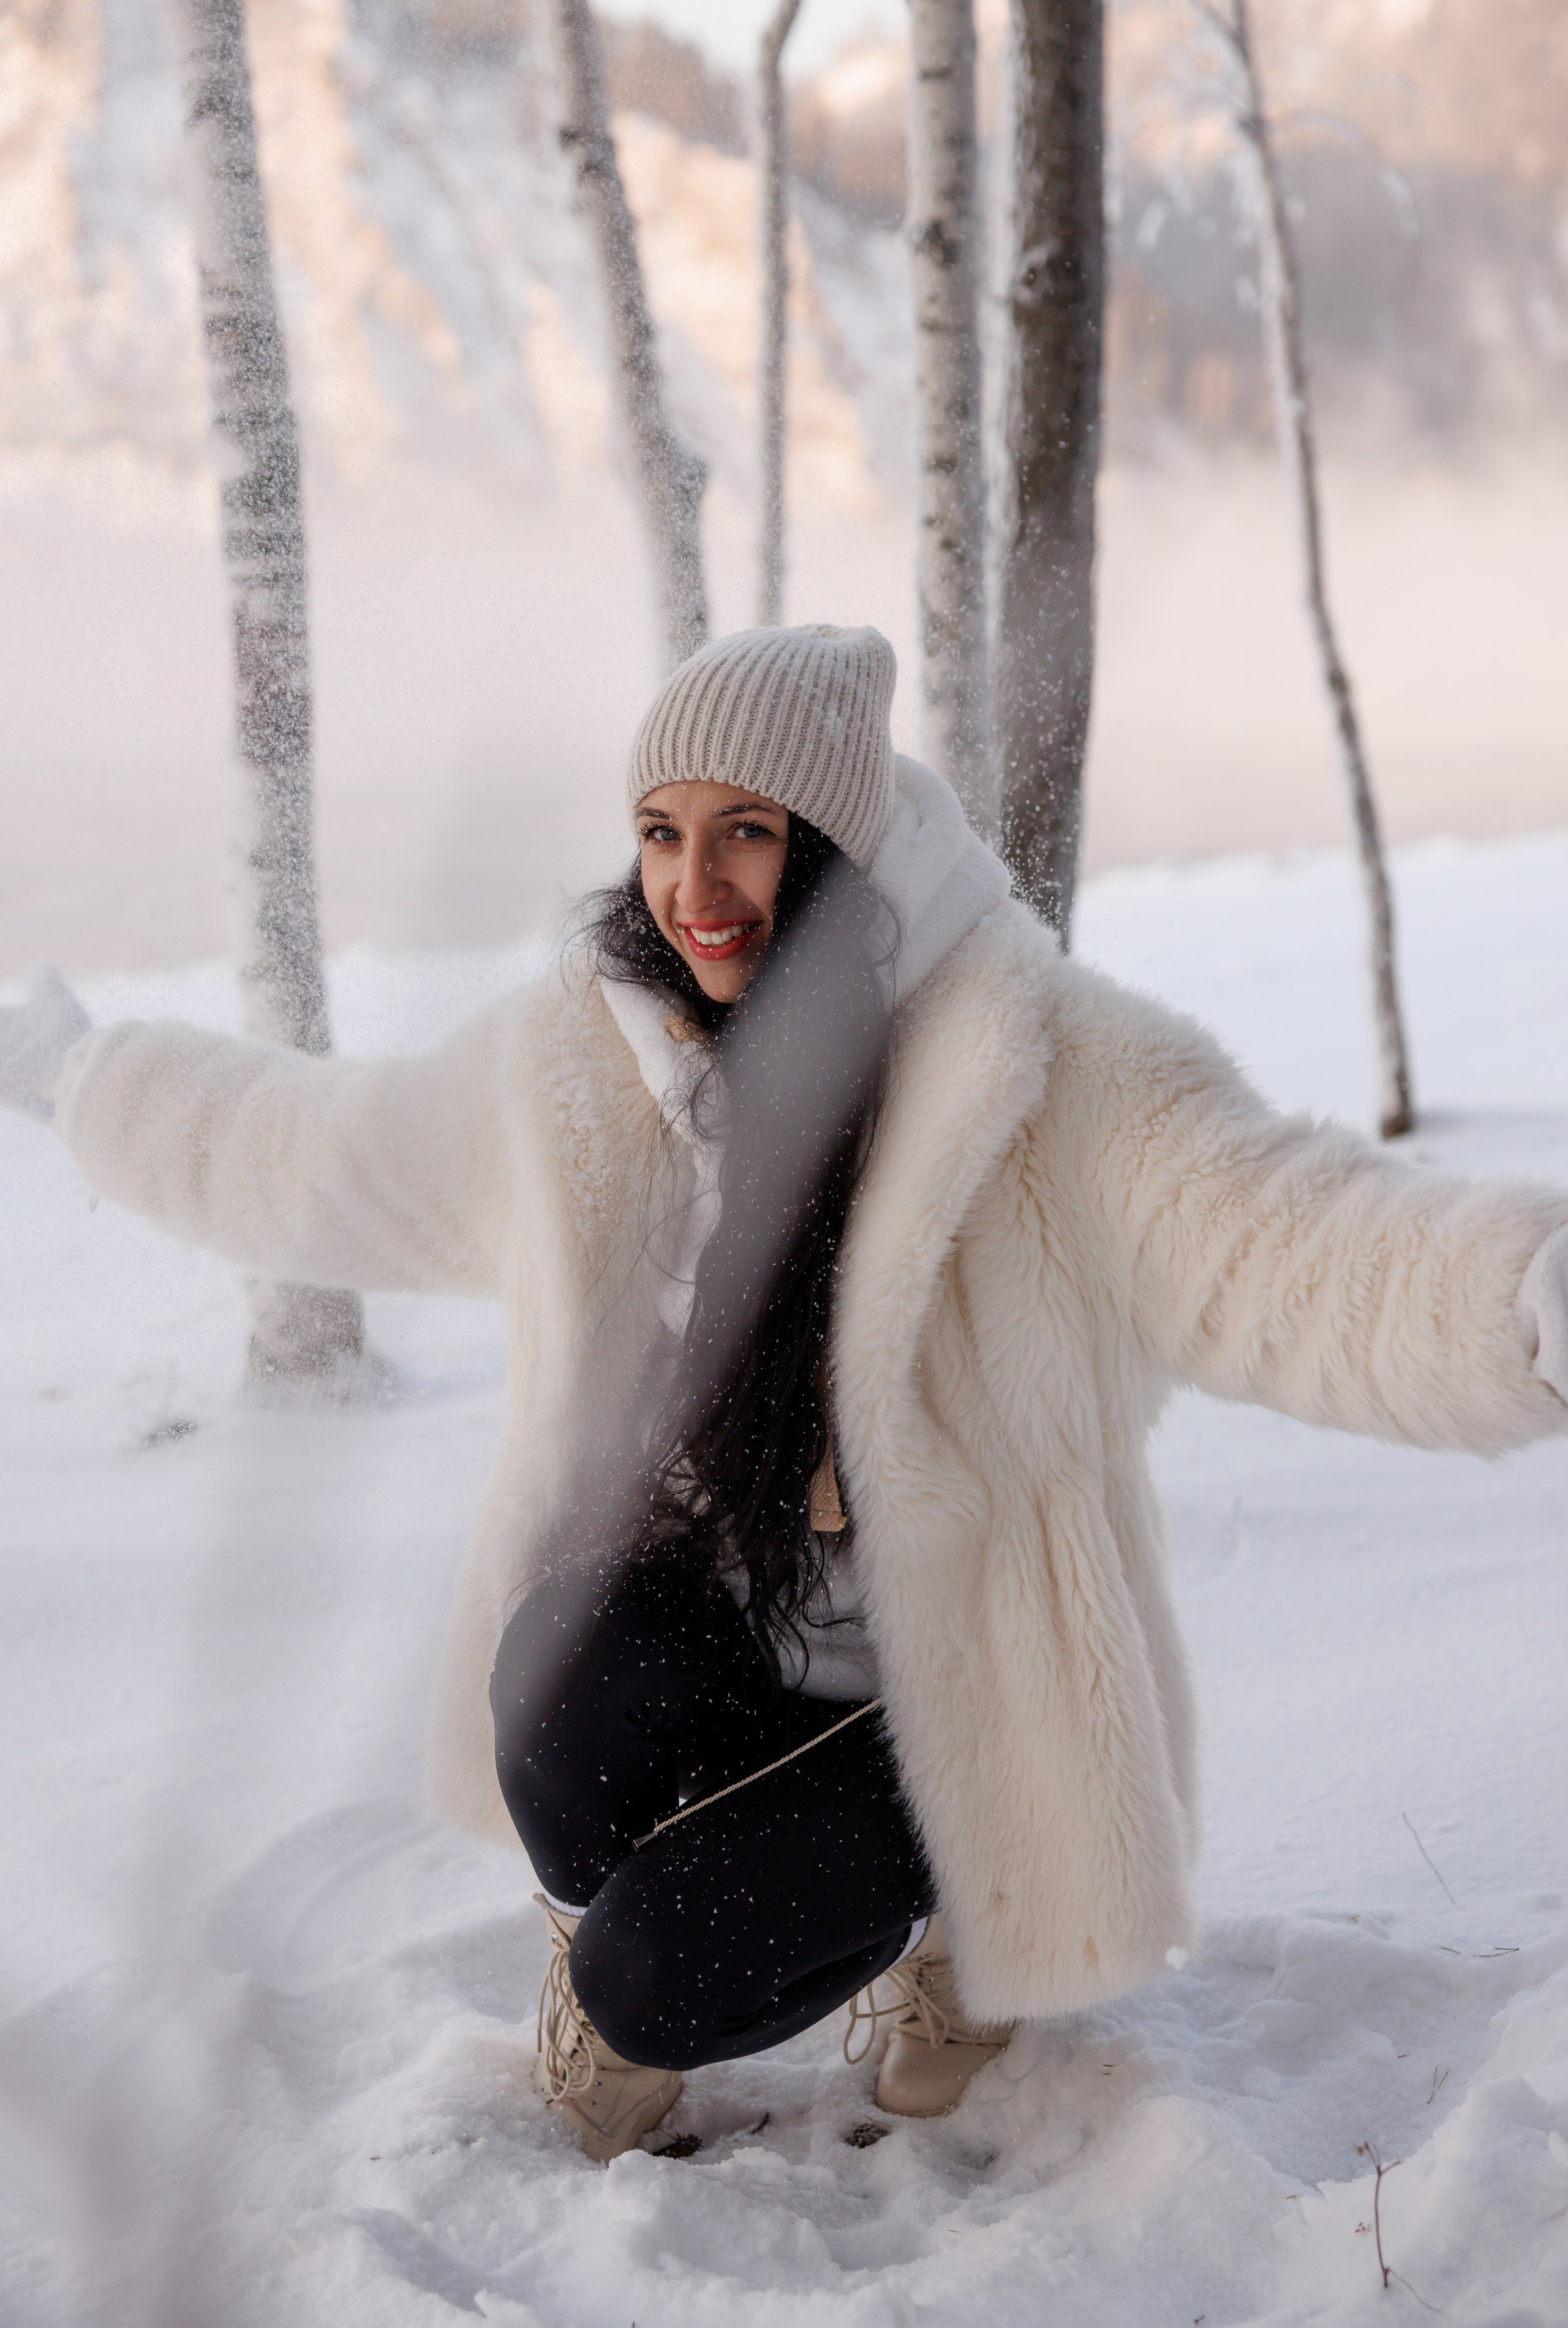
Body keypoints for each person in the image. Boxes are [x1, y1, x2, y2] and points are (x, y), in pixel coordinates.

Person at [4, 622, 1567, 2167]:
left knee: (654, 1975)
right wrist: (88, 1082)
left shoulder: (1045, 1065)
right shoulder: (589, 1063)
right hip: (723, 1619)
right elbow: (331, 1156)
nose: (692, 888)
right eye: (659, 832)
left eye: (745, 831)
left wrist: (1518, 1302)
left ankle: (922, 1935)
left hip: (943, 1699)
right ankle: (622, 1960)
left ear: (835, 841)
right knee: (548, 1673)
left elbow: (1285, 1239)